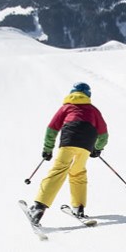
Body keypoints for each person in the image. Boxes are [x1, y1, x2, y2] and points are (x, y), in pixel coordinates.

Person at [27, 82, 108, 223]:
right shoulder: (93, 110)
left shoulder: (67, 107)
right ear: (88, 95)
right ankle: (79, 207)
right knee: (78, 172)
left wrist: (47, 149)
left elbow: (51, 129)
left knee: (59, 170)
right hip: (86, 144)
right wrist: (97, 148)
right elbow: (104, 134)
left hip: (69, 140)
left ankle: (38, 208)